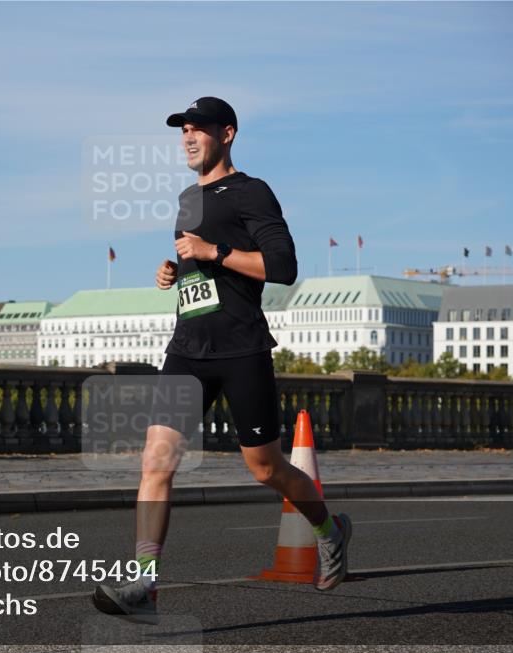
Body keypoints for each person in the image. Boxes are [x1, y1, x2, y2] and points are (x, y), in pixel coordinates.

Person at [92, 97, 352, 624]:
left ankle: (330, 529)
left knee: (266, 469)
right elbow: (200, 270)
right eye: (183, 131)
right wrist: (174, 272)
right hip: (187, 347)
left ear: (227, 134)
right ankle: (145, 583)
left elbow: (282, 266)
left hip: (241, 348)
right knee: (156, 460)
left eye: (199, 130)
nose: (188, 139)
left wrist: (214, 254)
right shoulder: (188, 197)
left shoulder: (252, 191)